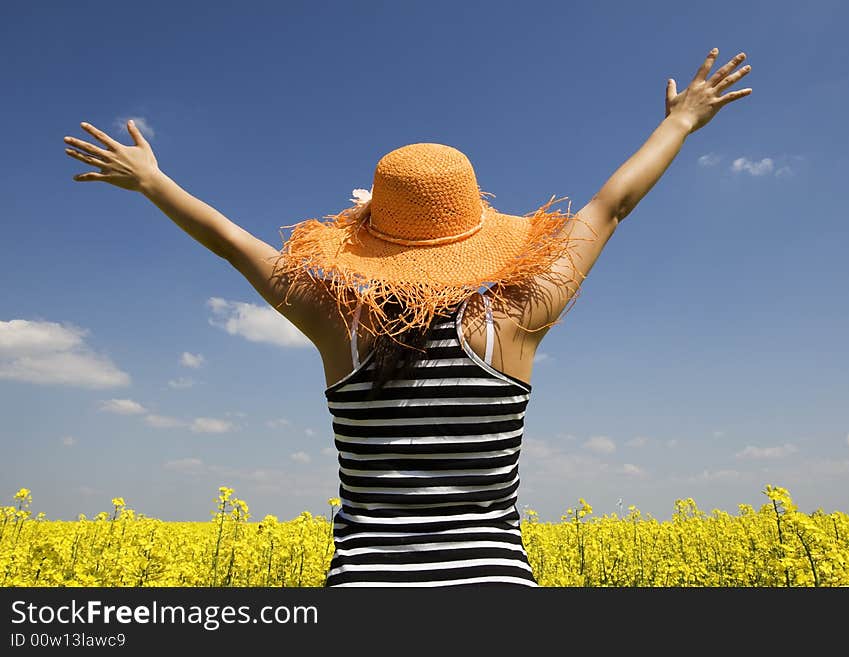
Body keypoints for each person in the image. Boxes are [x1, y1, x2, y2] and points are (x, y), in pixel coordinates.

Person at [62, 47, 752, 586]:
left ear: (372, 239)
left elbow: (231, 243)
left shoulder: (339, 324)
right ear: (476, 227)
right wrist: (681, 121)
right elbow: (610, 206)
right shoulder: (516, 317)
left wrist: (153, 181)